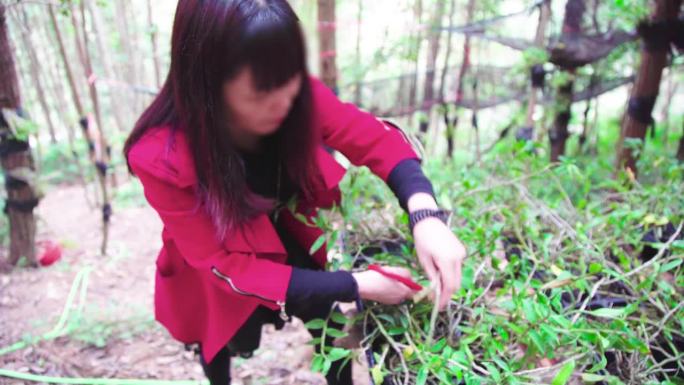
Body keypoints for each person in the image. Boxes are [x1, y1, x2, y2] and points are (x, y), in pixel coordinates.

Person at [123, 1, 466, 384]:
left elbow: (373, 139)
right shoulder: (160, 157)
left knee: (326, 318)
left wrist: (425, 215)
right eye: (260, 93)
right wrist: (358, 284)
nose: (287, 107)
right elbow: (226, 266)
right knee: (217, 337)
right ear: (207, 83)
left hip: (292, 230)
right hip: (217, 260)